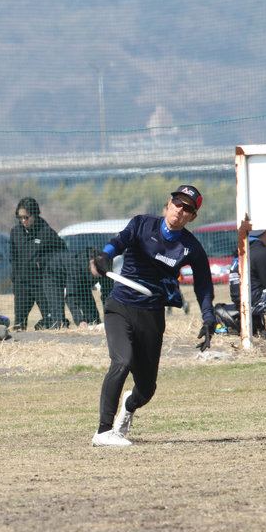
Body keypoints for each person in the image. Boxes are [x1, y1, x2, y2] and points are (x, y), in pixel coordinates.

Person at [89, 184, 215, 447]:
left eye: (187, 209)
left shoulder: (190, 247)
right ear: (168, 205)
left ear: (192, 217)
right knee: (122, 362)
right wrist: (104, 255)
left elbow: (203, 284)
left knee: (146, 390)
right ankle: (103, 431)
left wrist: (208, 317)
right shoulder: (142, 224)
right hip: (120, 306)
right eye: (177, 203)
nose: (180, 210)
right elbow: (119, 242)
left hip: (152, 315)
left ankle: (129, 405)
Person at [9, 197, 67, 331]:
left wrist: (42, 262)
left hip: (41, 283)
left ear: (34, 215)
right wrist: (15, 277)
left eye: (26, 217)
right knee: (18, 323)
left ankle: (45, 331)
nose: (23, 221)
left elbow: (62, 252)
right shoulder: (15, 232)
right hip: (22, 284)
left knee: (51, 320)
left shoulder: (46, 232)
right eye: (20, 217)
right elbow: (13, 256)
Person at [42, 246, 105, 328]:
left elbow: (107, 291)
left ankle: (93, 322)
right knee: (57, 311)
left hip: (80, 276)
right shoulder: (75, 267)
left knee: (92, 315)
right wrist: (79, 320)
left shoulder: (104, 264)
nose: (98, 277)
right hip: (53, 276)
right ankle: (55, 325)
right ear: (92, 264)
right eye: (97, 274)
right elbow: (71, 296)